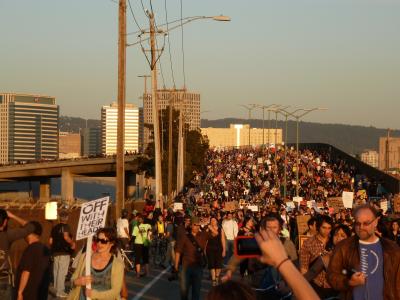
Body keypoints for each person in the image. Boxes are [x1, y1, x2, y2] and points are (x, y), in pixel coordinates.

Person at [327, 204, 400, 300]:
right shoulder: (343, 247)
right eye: (358, 223)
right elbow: (332, 276)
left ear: (376, 222)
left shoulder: (392, 249)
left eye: (366, 223)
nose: (361, 227)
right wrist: (349, 282)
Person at [255, 228, 319, 300]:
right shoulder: (256, 245)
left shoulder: (288, 243)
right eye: (268, 228)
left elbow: (295, 263)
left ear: (280, 229)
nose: (271, 232)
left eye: (274, 227)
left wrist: (281, 261)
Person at [68, 228, 124, 300]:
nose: (99, 243)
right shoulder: (85, 257)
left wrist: (94, 294)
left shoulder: (117, 265)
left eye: (103, 241)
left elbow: (115, 292)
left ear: (112, 243)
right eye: (97, 240)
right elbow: (73, 279)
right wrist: (76, 282)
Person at [0, 209, 34, 298]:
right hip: (4, 279)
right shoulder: (7, 235)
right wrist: (12, 216)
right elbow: (30, 227)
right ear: (5, 222)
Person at [300, 214, 334, 298]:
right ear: (318, 227)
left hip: (333, 286)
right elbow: (304, 268)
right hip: (315, 285)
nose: (327, 231)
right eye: (324, 228)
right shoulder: (308, 243)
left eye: (329, 228)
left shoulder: (334, 242)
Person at [174, 216, 209, 300]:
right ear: (191, 225)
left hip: (198, 267)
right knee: (184, 292)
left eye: (198, 225)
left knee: (196, 292)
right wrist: (176, 267)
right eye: (194, 225)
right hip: (186, 267)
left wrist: (208, 224)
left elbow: (215, 233)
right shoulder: (185, 236)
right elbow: (178, 251)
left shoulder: (203, 235)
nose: (196, 227)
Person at [15, 221, 51, 300]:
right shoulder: (46, 249)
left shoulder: (31, 249)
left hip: (29, 294)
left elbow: (26, 272)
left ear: (29, 233)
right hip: (41, 294)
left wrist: (20, 292)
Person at [49, 210, 76, 298]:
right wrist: (72, 243)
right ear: (67, 218)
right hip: (64, 252)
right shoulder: (66, 226)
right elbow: (66, 237)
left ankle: (56, 289)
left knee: (56, 271)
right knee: (62, 272)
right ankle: (60, 291)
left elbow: (50, 241)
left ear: (59, 218)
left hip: (55, 252)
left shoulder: (54, 228)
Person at [206, 217, 226, 286]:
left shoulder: (221, 229)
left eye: (214, 220)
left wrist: (224, 250)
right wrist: (204, 249)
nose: (213, 221)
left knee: (218, 264)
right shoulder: (208, 229)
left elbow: (223, 240)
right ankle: (214, 280)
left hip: (219, 248)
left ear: (217, 221)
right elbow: (206, 240)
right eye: (211, 220)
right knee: (211, 264)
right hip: (210, 248)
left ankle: (217, 277)